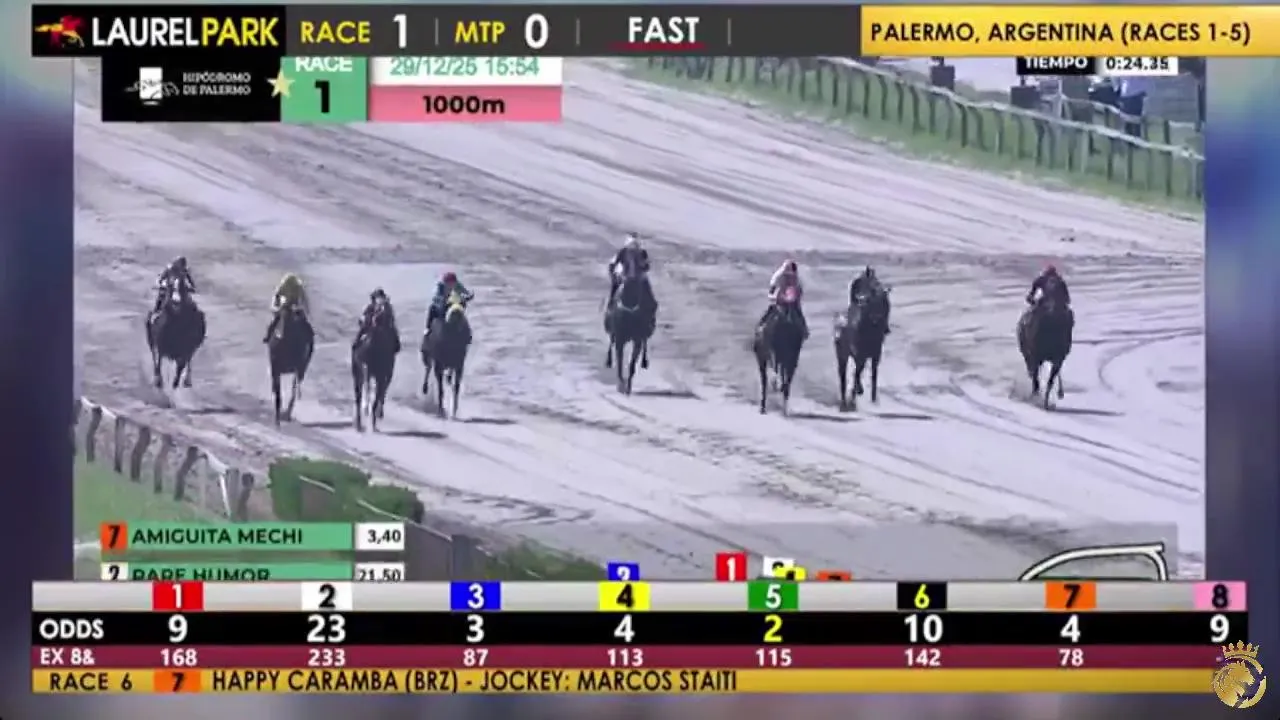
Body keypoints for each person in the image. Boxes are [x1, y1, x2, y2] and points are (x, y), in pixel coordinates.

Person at [758, 258, 808, 339]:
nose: (789, 278)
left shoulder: (798, 280)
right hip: (778, 301)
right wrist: (775, 298)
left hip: (792, 302)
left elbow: (799, 294)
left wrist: (794, 300)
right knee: (771, 311)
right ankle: (761, 328)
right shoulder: (776, 278)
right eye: (787, 275)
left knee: (798, 313)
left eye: (791, 275)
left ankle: (804, 331)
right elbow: (770, 294)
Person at [606, 232, 655, 313]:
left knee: (647, 290)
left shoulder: (642, 253)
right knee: (615, 286)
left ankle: (652, 307)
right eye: (632, 244)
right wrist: (613, 273)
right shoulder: (623, 252)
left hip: (638, 277)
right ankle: (610, 305)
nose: (634, 247)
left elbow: (647, 266)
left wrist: (644, 265)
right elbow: (613, 263)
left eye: (635, 245)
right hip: (625, 276)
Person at [424, 271, 474, 340]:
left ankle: (463, 328)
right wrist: (445, 300)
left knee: (461, 306)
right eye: (449, 284)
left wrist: (469, 296)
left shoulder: (458, 285)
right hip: (441, 304)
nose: (451, 286)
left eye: (452, 284)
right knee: (432, 308)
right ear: (445, 283)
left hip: (453, 303)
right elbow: (436, 298)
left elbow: (466, 292)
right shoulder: (439, 287)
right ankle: (427, 328)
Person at [263, 272, 310, 343]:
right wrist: (276, 308)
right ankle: (268, 336)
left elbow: (304, 299)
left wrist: (276, 307)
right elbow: (277, 297)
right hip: (287, 304)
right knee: (277, 319)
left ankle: (268, 336)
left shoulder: (297, 287)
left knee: (276, 320)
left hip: (294, 304)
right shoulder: (285, 286)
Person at [353, 287, 400, 352]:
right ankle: (356, 342)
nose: (379, 299)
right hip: (372, 325)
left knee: (393, 330)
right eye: (378, 297)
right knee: (363, 328)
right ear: (375, 298)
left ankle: (396, 345)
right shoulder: (371, 306)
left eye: (381, 297)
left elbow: (390, 316)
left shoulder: (387, 306)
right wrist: (369, 319)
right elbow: (365, 315)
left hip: (385, 325)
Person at [849, 265, 890, 334]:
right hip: (860, 304)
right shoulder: (858, 282)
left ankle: (884, 324)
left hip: (871, 303)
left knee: (884, 303)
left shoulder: (874, 283)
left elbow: (880, 290)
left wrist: (883, 292)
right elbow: (854, 297)